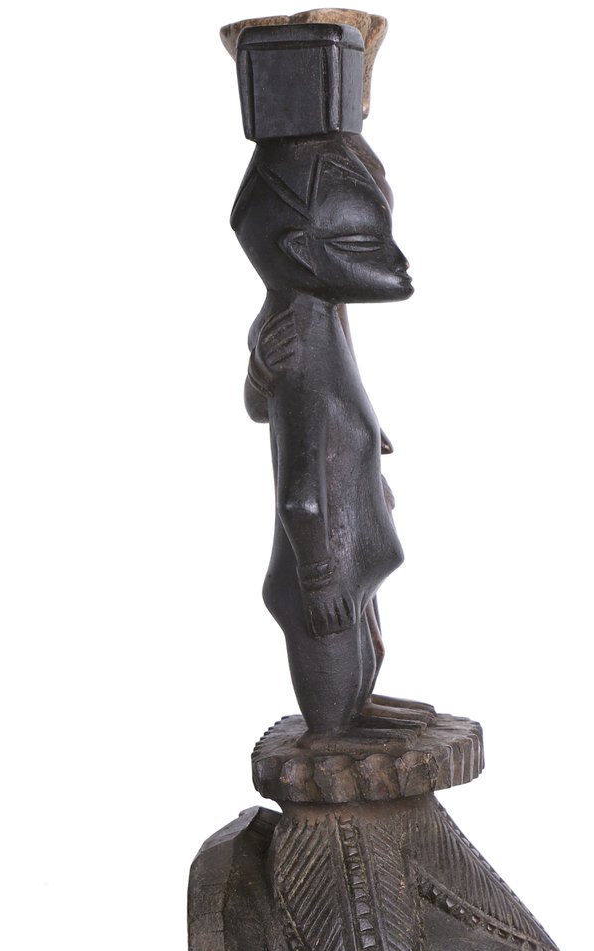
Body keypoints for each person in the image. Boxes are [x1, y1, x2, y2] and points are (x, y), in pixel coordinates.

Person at [232, 132, 412, 734]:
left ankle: (359, 709)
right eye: (363, 244)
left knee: (368, 650)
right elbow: (301, 496)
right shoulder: (294, 341)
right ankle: (333, 741)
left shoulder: (314, 318)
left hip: (346, 550)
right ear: (299, 252)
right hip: (323, 572)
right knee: (333, 681)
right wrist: (317, 577)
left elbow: (280, 403)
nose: (395, 261)